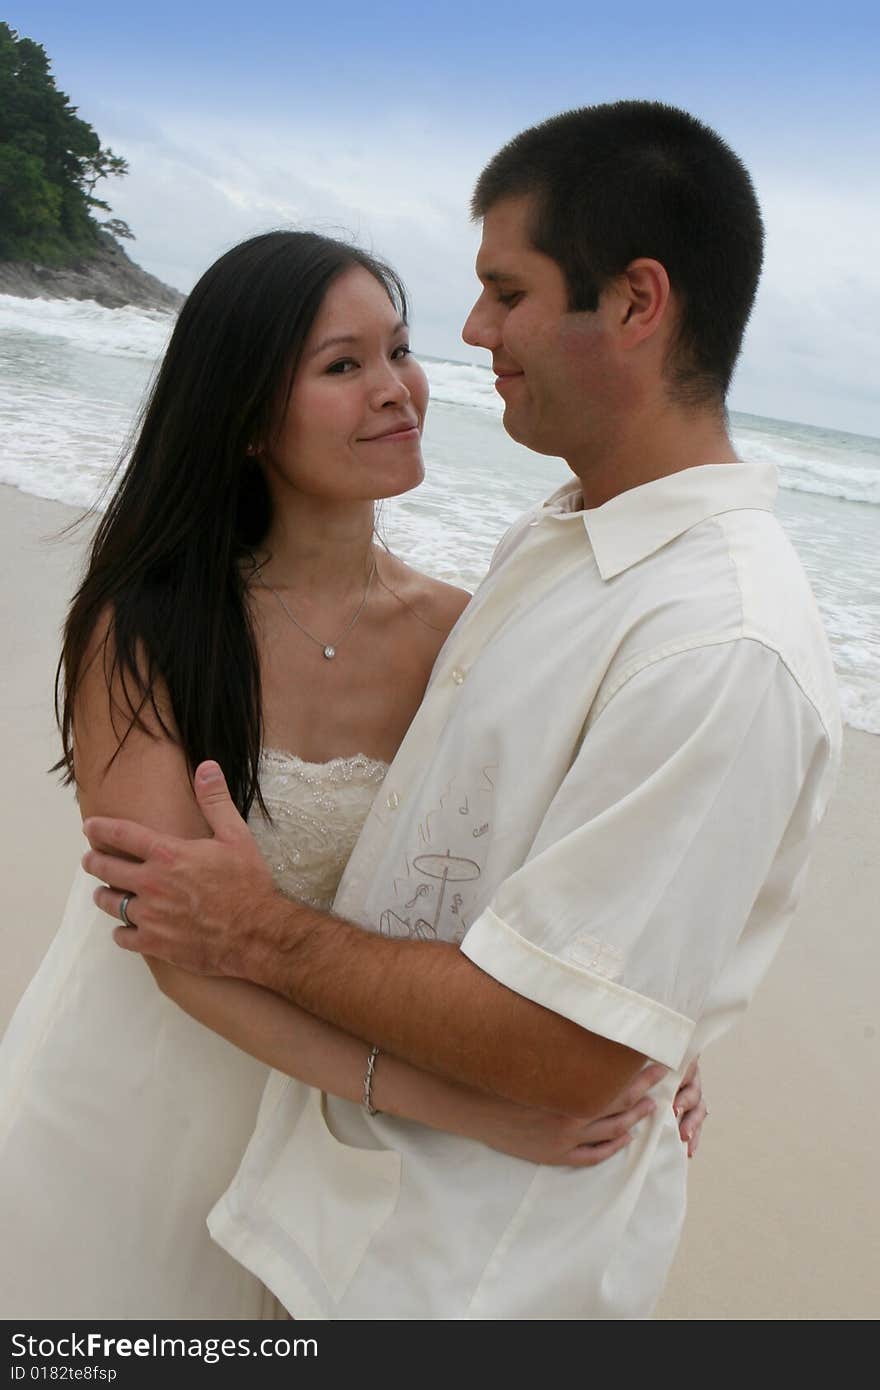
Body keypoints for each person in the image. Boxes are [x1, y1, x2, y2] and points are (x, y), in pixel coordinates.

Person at [85, 99, 841, 1321]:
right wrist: (656, 1001)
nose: (466, 337)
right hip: (330, 1208)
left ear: (637, 303)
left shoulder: (719, 642)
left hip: (473, 1276)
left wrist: (259, 928)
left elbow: (569, 1049)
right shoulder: (554, 546)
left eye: (506, 290)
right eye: (347, 362)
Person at [0, 229, 699, 1321]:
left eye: (401, 349)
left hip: (333, 1150)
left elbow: (557, 873)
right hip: (131, 1099)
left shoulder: (461, 633)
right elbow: (177, 956)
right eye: (343, 365)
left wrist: (639, 1038)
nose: (398, 390)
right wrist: (477, 1108)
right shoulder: (147, 626)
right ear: (243, 417)